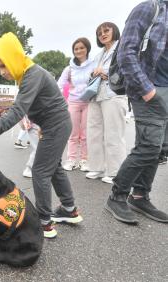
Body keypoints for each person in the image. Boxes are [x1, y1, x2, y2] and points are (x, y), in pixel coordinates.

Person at [0, 32, 83, 239]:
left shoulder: (33, 74)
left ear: (13, 57)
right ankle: (69, 209)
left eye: (3, 65)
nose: (2, 72)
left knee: (40, 171)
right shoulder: (26, 75)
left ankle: (44, 223)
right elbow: (46, 103)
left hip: (56, 126)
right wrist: (45, 123)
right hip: (54, 125)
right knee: (54, 167)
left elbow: (17, 111)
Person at [105, 0, 168, 224]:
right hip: (149, 88)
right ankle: (117, 196)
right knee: (149, 146)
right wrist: (148, 91)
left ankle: (140, 196)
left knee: (160, 148)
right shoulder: (150, 8)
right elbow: (126, 53)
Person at [85, 22, 128, 184]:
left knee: (114, 134)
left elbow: (127, 68)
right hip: (96, 95)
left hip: (114, 94)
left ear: (114, 31)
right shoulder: (99, 54)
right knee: (93, 132)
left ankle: (116, 171)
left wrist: (106, 72)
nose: (102, 34)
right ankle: (97, 167)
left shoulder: (122, 48)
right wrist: (94, 73)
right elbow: (91, 72)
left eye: (106, 30)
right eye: (99, 33)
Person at [57, 37, 94, 172]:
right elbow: (59, 85)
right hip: (73, 102)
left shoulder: (94, 64)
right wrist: (60, 102)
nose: (79, 51)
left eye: (81, 48)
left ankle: (85, 160)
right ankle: (71, 159)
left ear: (87, 49)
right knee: (73, 133)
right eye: (76, 49)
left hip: (89, 102)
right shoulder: (69, 68)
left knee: (85, 134)